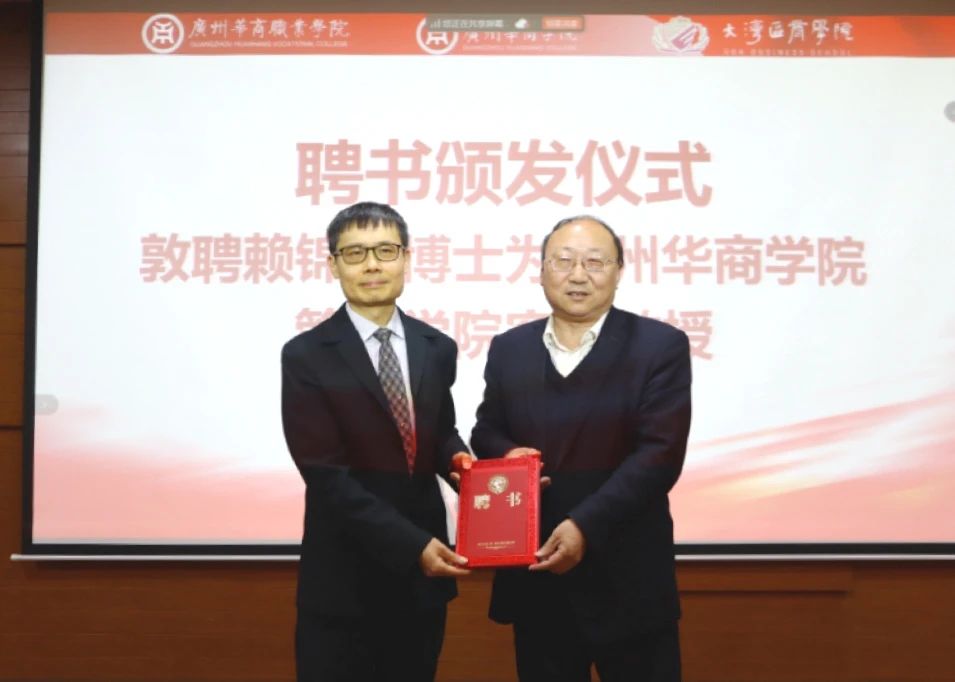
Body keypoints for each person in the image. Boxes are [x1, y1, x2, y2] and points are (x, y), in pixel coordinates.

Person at [471, 215, 692, 682]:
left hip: (628, 579)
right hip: (538, 575)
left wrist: (584, 526)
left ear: (618, 271)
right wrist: (506, 454)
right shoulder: (510, 348)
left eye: (594, 262)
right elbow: (487, 428)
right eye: (564, 261)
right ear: (541, 270)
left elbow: (660, 455)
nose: (577, 275)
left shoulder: (659, 346)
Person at [281, 201, 471, 682]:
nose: (371, 264)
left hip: (422, 581)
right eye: (355, 253)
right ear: (334, 265)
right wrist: (412, 545)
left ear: (406, 258)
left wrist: (465, 466)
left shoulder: (436, 346)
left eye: (385, 250)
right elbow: (325, 474)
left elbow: (438, 433)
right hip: (344, 578)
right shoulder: (306, 355)